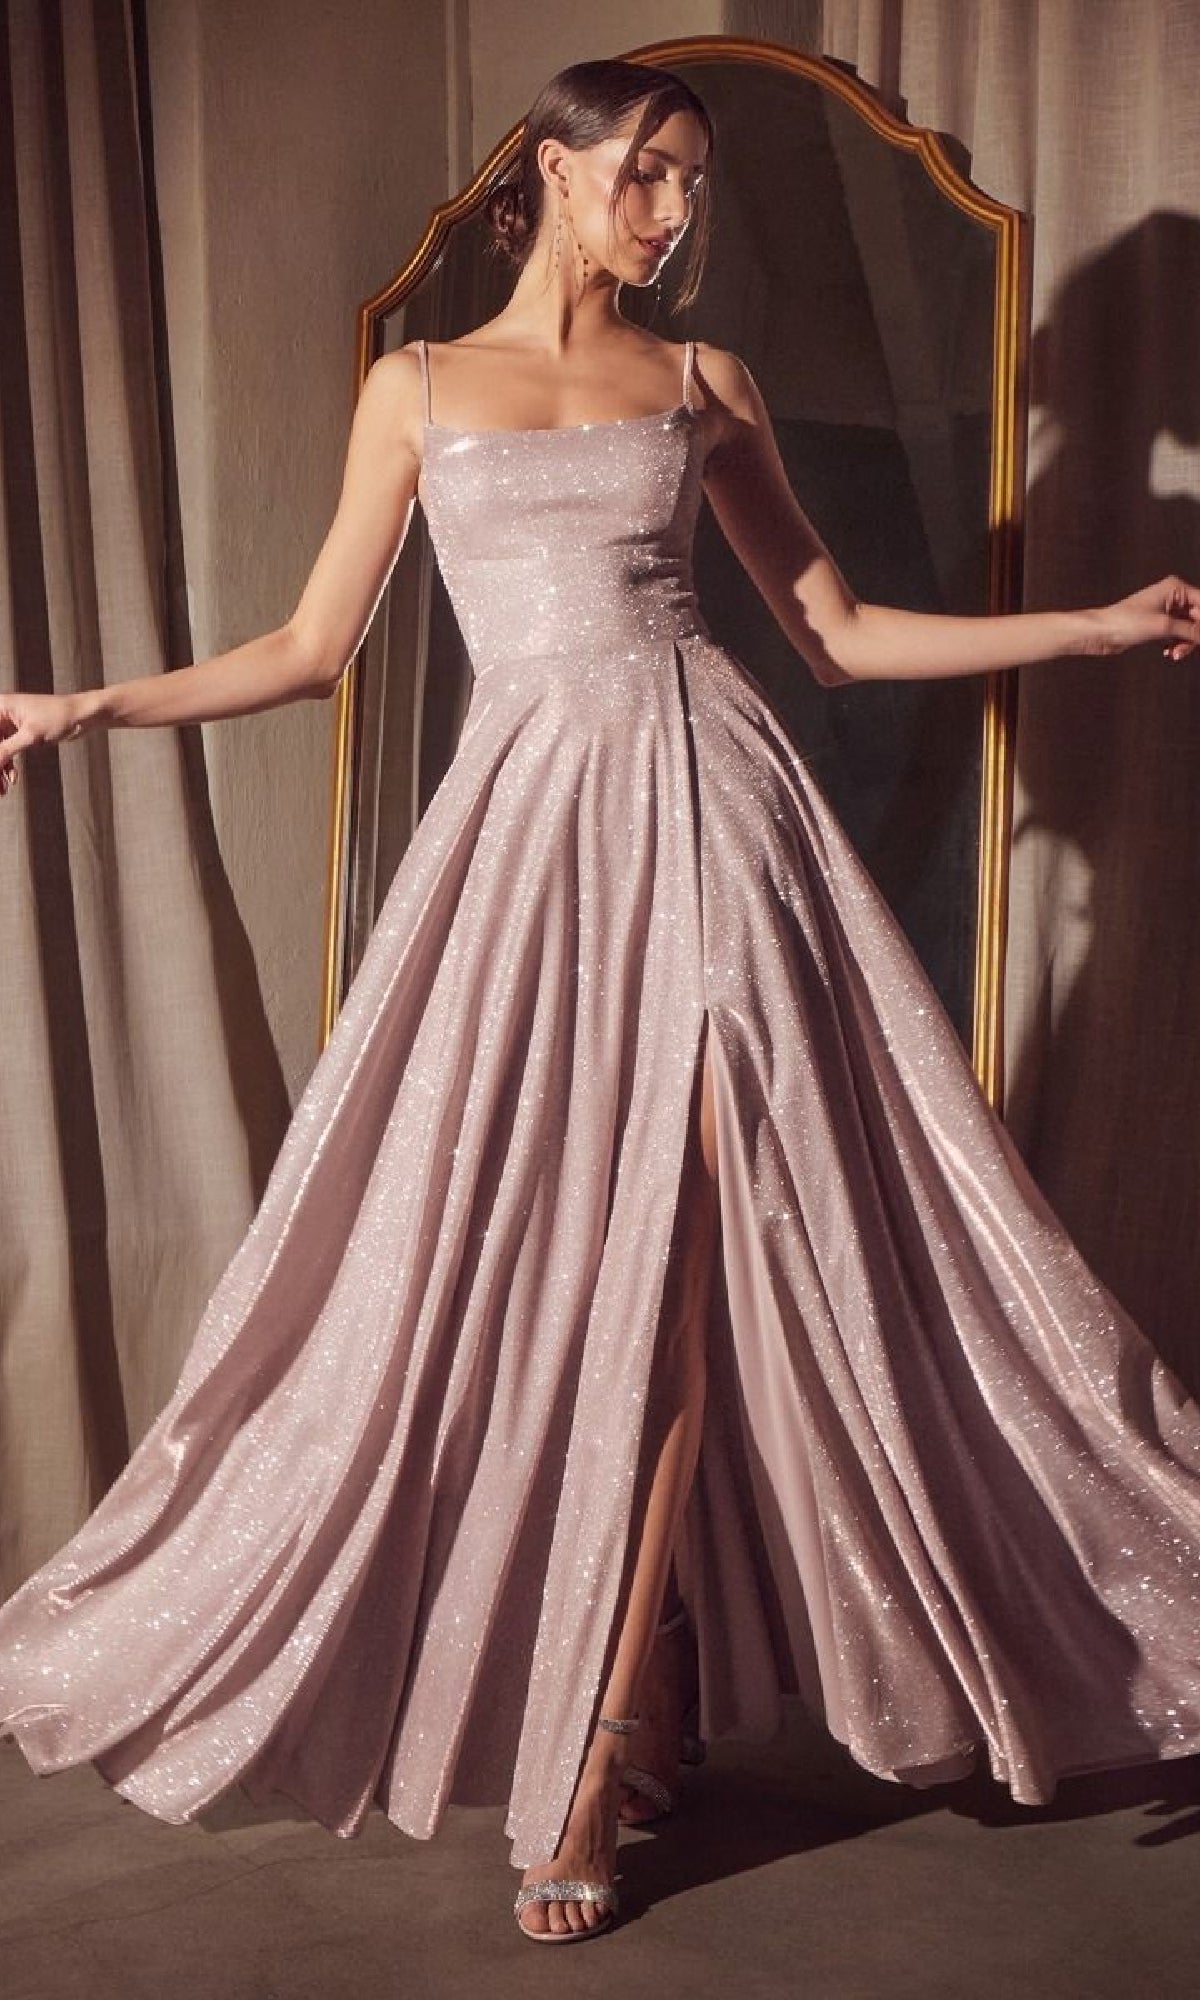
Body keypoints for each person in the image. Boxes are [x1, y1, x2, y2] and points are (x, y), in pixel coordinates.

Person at [1, 55, 1200, 1952]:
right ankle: (642, 1702)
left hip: (720, 826)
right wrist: (89, 708)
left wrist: (1098, 628)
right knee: (564, 1270)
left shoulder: (699, 382)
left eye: (688, 185)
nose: (671, 211)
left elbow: (835, 632)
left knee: (694, 1273)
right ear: (548, 176)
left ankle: (597, 1747)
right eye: (642, 174)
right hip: (531, 851)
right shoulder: (415, 388)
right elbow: (317, 649)